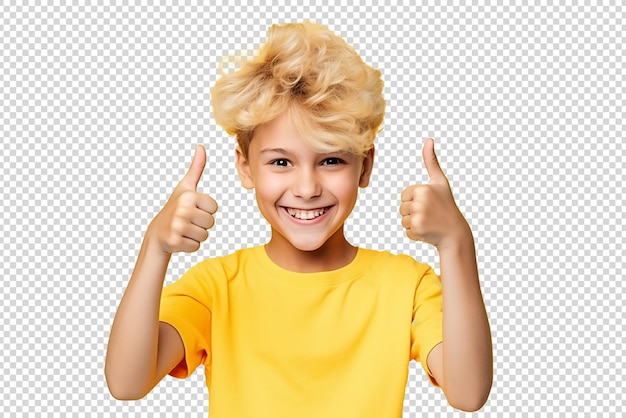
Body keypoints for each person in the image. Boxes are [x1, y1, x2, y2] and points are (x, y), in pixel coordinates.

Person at [105, 21, 492, 417]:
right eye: (281, 162)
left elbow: (467, 393)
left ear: (365, 166)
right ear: (246, 167)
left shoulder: (407, 286)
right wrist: (154, 247)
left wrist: (456, 243)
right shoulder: (215, 287)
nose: (307, 187)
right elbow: (126, 383)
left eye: (330, 160)